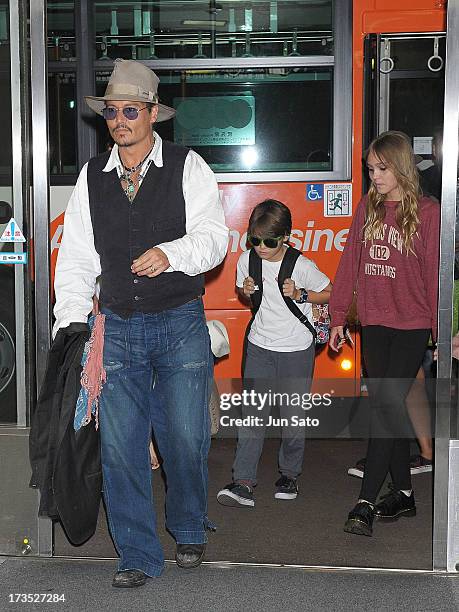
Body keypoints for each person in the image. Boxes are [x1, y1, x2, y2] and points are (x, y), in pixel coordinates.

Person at [53, 59, 228, 587]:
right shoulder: (91, 177)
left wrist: (170, 254)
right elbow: (78, 257)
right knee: (121, 448)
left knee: (184, 438)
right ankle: (135, 554)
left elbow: (215, 237)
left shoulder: (188, 165)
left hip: (180, 323)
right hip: (119, 329)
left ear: (154, 114)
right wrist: (70, 326)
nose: (119, 120)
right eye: (111, 111)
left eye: (131, 110)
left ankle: (189, 525)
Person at [329, 130, 439, 537]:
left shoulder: (428, 212)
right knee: (387, 407)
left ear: (401, 166)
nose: (374, 175)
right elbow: (349, 265)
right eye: (370, 169)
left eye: (381, 168)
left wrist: (442, 332)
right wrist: (338, 316)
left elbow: (434, 276)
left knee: (386, 405)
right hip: (374, 321)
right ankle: (405, 495)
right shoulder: (368, 208)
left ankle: (365, 501)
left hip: (412, 322)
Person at [217, 199, 331, 507]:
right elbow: (244, 290)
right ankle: (243, 482)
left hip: (295, 349)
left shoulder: (301, 265)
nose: (261, 247)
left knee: (292, 417)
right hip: (259, 347)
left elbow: (330, 291)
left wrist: (301, 294)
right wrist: (246, 289)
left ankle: (290, 475)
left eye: (269, 241)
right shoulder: (247, 260)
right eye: (255, 240)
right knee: (253, 416)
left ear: (286, 237)